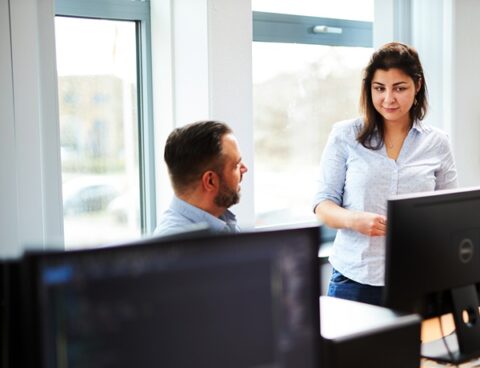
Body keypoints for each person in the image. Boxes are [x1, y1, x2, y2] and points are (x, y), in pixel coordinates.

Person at [313, 42, 458, 306]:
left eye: (399, 88)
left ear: (418, 85)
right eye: (379, 88)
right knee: (351, 350)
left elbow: (450, 213)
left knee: (409, 349)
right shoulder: (345, 135)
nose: (388, 99)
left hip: (415, 279)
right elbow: (322, 205)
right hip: (354, 279)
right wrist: (353, 219)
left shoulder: (438, 142)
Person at [154, 120, 248, 236]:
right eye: (236, 165)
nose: (244, 169)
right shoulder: (177, 246)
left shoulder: (222, 221)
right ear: (210, 181)